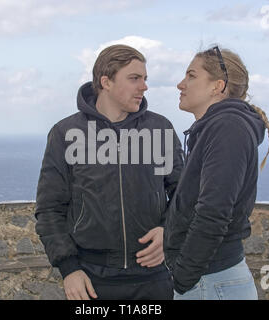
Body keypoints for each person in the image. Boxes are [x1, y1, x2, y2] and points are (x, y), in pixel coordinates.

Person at [35, 44, 183, 300]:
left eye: (145, 79)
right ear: (106, 82)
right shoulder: (65, 134)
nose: (144, 86)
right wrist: (69, 269)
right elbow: (50, 209)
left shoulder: (160, 129)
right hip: (92, 280)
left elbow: (184, 193)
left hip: (154, 276)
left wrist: (167, 230)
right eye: (135, 78)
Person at [163, 46, 269, 300]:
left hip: (210, 283)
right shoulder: (216, 127)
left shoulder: (228, 128)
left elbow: (214, 211)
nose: (181, 84)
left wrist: (183, 278)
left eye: (191, 76)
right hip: (209, 282)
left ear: (218, 86)